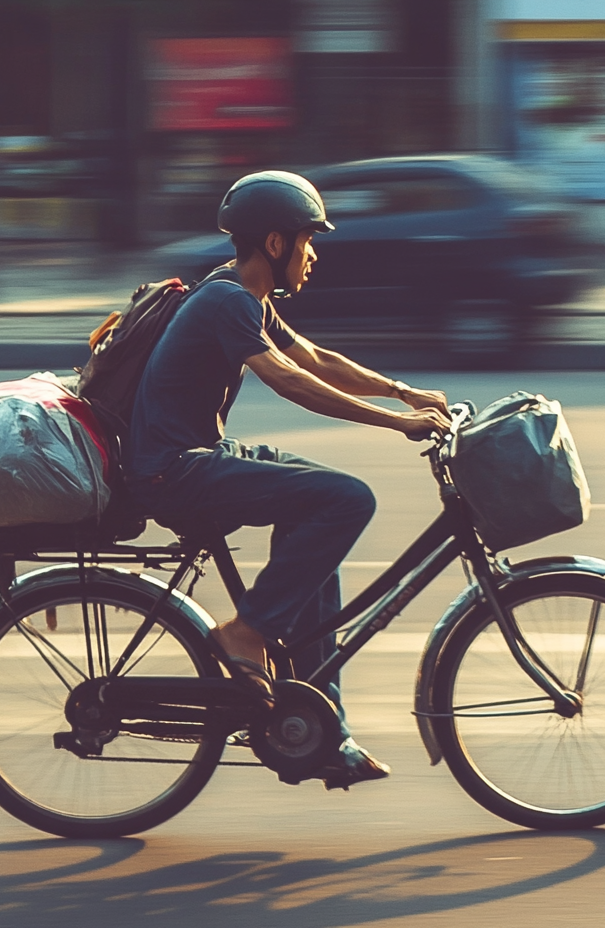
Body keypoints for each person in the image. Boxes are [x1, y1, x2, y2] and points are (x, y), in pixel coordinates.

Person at [124, 171, 451, 789]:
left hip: (195, 455)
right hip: (174, 470)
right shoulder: (228, 300)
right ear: (275, 244)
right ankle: (246, 633)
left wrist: (403, 390)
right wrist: (394, 422)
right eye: (308, 239)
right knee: (347, 498)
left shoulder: (242, 294)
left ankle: (326, 728)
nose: (314, 253)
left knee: (320, 504)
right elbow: (289, 380)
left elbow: (315, 359)